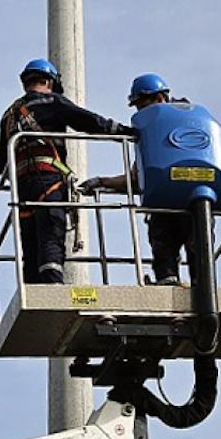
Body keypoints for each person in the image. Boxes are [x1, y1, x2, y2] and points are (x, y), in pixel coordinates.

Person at [0, 58, 133, 284]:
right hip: (49, 181)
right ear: (49, 81)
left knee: (30, 243)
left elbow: (1, 164)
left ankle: (33, 290)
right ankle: (53, 285)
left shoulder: (8, 116)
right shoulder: (52, 102)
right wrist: (123, 131)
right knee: (51, 234)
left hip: (21, 190)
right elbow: (88, 121)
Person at [79, 73, 194, 286]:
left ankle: (185, 283)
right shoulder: (188, 123)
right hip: (186, 201)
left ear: (160, 98)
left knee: (182, 245)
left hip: (182, 203)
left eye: (143, 105)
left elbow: (137, 178)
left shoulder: (173, 128)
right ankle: (175, 282)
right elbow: (137, 178)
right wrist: (102, 181)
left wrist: (102, 181)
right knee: (173, 249)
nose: (141, 113)